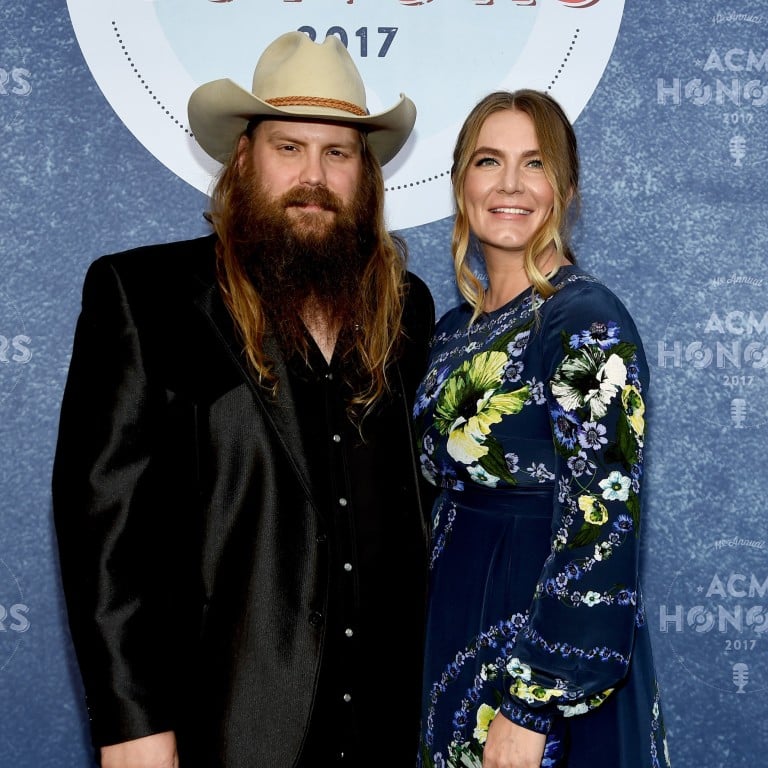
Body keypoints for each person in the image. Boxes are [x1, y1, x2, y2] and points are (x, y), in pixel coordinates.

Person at [52, 31, 435, 768]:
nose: (313, 176)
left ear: (366, 174)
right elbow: (103, 530)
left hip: (385, 727)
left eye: (338, 153)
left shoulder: (405, 310)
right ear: (244, 160)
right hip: (223, 726)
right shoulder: (147, 299)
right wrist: (132, 725)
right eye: (288, 148)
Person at [412, 90, 670, 768]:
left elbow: (602, 520)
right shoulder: (449, 332)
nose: (510, 185)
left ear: (566, 188)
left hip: (538, 651)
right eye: (488, 161)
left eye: (535, 164)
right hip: (456, 624)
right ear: (461, 181)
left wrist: (532, 703)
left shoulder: (583, 320)